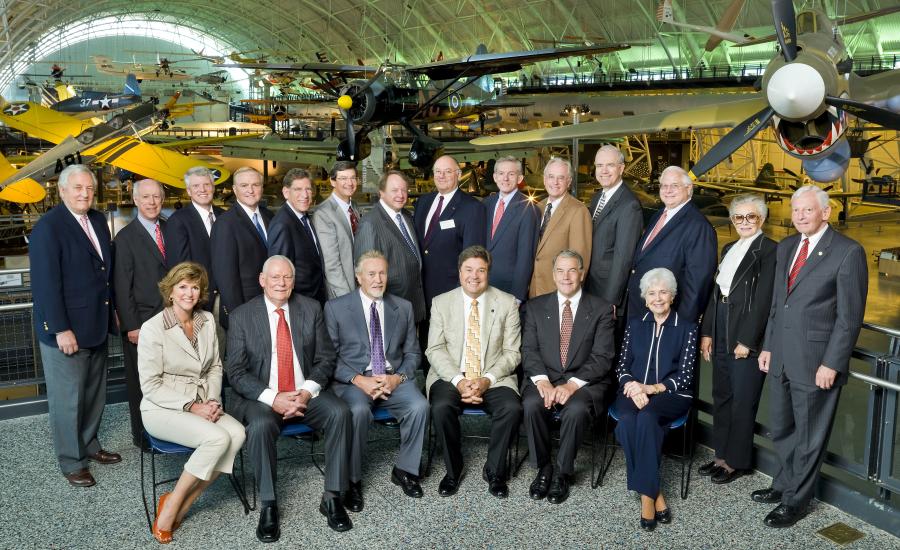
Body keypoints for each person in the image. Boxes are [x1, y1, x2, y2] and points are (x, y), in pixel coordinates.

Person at [754, 186, 867, 528]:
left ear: (826, 212)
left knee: (809, 434)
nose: (800, 216)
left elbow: (849, 318)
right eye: (796, 210)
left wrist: (832, 362)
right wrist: (769, 346)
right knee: (783, 426)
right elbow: (778, 304)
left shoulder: (848, 252)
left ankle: (796, 501)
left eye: (807, 210)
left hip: (817, 362)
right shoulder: (788, 246)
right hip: (782, 357)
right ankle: (786, 482)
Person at [225, 256, 352, 539]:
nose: (281, 283)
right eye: (275, 277)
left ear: (294, 281)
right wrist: (274, 398)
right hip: (263, 397)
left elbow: (326, 358)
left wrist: (305, 392)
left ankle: (332, 496)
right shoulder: (242, 316)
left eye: (287, 278)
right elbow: (235, 371)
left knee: (340, 412)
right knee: (259, 426)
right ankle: (269, 505)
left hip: (304, 391)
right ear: (262, 280)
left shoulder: (311, 308)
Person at [138, 262, 245, 544]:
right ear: (170, 292)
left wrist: (211, 400)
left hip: (203, 400)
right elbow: (150, 386)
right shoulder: (153, 328)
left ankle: (183, 500)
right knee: (217, 439)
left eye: (194, 287)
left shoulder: (207, 321)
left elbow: (214, 368)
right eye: (182, 287)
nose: (189, 293)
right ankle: (171, 507)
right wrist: (192, 406)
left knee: (237, 434)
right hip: (162, 408)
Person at [30, 164, 120, 488]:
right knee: (68, 399)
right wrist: (60, 328)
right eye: (78, 188)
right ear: (62, 191)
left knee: (95, 394)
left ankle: (90, 445)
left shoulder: (97, 220)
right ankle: (72, 461)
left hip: (96, 322)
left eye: (89, 189)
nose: (85, 194)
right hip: (66, 331)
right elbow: (44, 286)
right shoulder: (48, 228)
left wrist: (113, 314)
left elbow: (102, 273)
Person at [324, 251, 428, 509]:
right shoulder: (336, 308)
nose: (378, 279)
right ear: (359, 277)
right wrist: (359, 380)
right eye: (371, 274)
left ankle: (405, 470)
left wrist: (397, 378)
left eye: (382, 273)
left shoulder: (402, 307)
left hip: (392, 378)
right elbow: (328, 358)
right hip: (355, 382)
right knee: (357, 410)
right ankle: (353, 480)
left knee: (420, 406)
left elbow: (413, 353)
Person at [425, 246, 522, 499]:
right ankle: (453, 470)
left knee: (511, 408)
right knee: (441, 407)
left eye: (481, 270)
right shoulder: (441, 302)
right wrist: (459, 381)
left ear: (489, 273)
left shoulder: (507, 303)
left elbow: (512, 352)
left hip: (493, 376)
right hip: (451, 375)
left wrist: (485, 380)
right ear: (459, 272)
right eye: (468, 269)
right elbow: (434, 349)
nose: (474, 276)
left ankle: (494, 471)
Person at [521, 250, 615, 504]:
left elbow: (603, 357)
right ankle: (544, 468)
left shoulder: (602, 309)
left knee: (574, 411)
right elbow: (529, 350)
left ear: (582, 274)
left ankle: (562, 472)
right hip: (545, 378)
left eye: (572, 270)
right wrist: (542, 381)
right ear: (553, 275)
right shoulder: (535, 307)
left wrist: (572, 385)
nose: (566, 276)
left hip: (585, 382)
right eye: (560, 271)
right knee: (531, 404)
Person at [698, 194, 777, 484]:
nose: (744, 222)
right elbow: (715, 294)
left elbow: (764, 300)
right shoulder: (730, 247)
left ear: (762, 219)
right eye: (738, 217)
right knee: (722, 396)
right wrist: (707, 331)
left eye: (751, 217)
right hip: (721, 326)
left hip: (744, 332)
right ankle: (721, 455)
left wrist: (748, 340)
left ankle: (737, 461)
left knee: (743, 401)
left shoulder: (770, 250)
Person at [615, 268, 696, 531]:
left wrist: (650, 389)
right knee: (627, 421)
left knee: (648, 417)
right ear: (645, 297)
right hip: (633, 390)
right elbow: (622, 366)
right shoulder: (635, 324)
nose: (658, 298)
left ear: (672, 296)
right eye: (652, 293)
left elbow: (685, 376)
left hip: (671, 394)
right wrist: (634, 387)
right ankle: (654, 492)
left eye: (663, 292)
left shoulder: (687, 328)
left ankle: (646, 500)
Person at [113, 178, 169, 449]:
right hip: (142, 322)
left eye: (156, 196)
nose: (151, 202)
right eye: (145, 197)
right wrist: (132, 326)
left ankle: (171, 430)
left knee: (169, 378)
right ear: (135, 200)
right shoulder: (124, 238)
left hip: (173, 320)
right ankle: (143, 436)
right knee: (141, 382)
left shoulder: (172, 229)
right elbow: (122, 287)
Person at [626, 165, 717, 322]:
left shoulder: (699, 226)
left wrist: (680, 325)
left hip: (667, 318)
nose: (668, 190)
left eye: (674, 186)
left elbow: (698, 283)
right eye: (664, 185)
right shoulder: (659, 215)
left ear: (689, 188)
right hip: (642, 312)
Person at [413, 155, 486, 309]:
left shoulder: (472, 207)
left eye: (447, 171)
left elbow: (472, 255)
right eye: (438, 172)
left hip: (451, 291)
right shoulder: (423, 202)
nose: (441, 176)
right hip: (419, 290)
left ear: (458, 175)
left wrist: (464, 291)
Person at [353, 170, 426, 323]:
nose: (400, 194)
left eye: (404, 190)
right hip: (388, 308)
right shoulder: (370, 223)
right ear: (382, 193)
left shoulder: (406, 216)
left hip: (412, 304)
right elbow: (367, 274)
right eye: (394, 190)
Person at [210, 167, 273, 329]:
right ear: (234, 189)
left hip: (273, 304)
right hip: (244, 309)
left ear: (262, 187)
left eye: (255, 185)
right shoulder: (225, 224)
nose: (250, 190)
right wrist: (237, 316)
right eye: (244, 185)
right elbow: (226, 277)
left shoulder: (270, 217)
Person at [584, 145, 643, 315]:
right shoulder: (597, 198)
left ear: (621, 168)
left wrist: (611, 300)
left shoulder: (629, 205)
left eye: (610, 165)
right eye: (599, 165)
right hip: (590, 285)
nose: (603, 171)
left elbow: (623, 258)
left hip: (607, 292)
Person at [530, 157, 591, 298]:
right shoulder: (537, 207)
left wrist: (569, 297)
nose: (555, 182)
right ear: (545, 179)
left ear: (569, 182)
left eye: (561, 178)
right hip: (533, 292)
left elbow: (580, 260)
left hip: (558, 294)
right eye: (551, 177)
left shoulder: (578, 210)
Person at [165, 167, 224, 312]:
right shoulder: (178, 220)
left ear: (213, 187)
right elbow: (180, 267)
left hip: (226, 299)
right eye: (196, 186)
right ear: (189, 191)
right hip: (198, 300)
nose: (202, 189)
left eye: (206, 185)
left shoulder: (225, 216)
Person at [482, 156, 539, 303]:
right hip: (482, 284)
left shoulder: (528, 209)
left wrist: (517, 296)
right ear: (495, 177)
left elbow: (526, 256)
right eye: (501, 173)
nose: (505, 178)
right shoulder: (486, 204)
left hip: (508, 289)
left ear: (520, 178)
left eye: (511, 174)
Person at [267, 168, 327, 305]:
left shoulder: (304, 217)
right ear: (286, 192)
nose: (305, 195)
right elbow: (281, 275)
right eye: (298, 189)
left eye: (308, 189)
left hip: (315, 300)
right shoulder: (282, 225)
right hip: (300, 304)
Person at [313, 161, 362, 299]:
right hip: (343, 292)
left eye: (353, 178)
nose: (350, 183)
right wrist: (347, 298)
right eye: (343, 178)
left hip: (360, 287)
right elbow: (331, 265)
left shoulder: (355, 207)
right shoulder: (324, 213)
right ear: (333, 181)